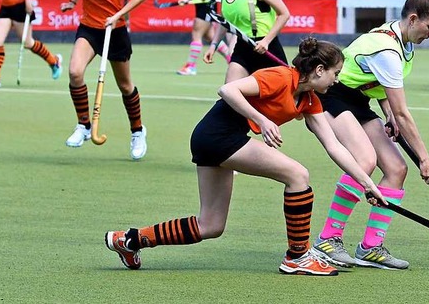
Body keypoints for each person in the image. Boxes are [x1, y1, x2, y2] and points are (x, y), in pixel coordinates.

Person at [105, 37, 386, 275]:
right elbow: (227, 89)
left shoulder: (310, 100)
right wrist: (261, 120)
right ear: (320, 69)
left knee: (211, 225)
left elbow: (334, 146)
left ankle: (130, 240)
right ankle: (297, 257)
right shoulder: (279, 77)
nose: (336, 81)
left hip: (217, 139)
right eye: (336, 73)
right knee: (297, 175)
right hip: (217, 135)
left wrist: (368, 184)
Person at [312, 0, 429, 270]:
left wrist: (386, 112)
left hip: (358, 100)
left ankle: (371, 247)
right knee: (364, 161)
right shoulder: (387, 50)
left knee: (397, 169)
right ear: (413, 19)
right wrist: (425, 158)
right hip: (331, 96)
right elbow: (403, 112)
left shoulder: (402, 38)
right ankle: (328, 239)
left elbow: (380, 88)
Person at [60, 0, 149, 160]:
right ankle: (84, 126)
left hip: (115, 31)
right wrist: (72, 1)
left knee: (125, 86)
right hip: (90, 28)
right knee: (74, 72)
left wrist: (119, 14)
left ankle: (138, 132)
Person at [204, 0, 288, 84]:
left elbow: (284, 14)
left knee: (277, 100)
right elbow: (224, 21)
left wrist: (266, 41)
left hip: (266, 47)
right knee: (228, 92)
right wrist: (213, 45)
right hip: (243, 47)